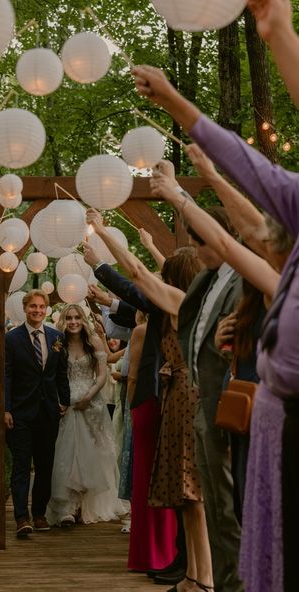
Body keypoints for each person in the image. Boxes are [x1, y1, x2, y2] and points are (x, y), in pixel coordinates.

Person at [133, 59, 299, 592]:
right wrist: (198, 178)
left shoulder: (276, 276)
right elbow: (238, 235)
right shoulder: (284, 272)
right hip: (267, 424)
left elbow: (236, 237)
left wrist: (187, 184)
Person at [87, 210, 213, 592]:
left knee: (193, 494)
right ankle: (193, 574)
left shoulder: (181, 303)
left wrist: (105, 235)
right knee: (187, 496)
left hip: (186, 400)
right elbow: (160, 270)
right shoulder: (192, 297)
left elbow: (137, 274)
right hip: (177, 398)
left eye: (167, 275)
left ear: (174, 281)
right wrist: (152, 247)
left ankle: (203, 578)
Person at [46, 304, 125, 526]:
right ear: (64, 320)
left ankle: (87, 504)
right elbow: (51, 374)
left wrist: (88, 396)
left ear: (83, 320)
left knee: (96, 454)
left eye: (77, 318)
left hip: (91, 404)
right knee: (68, 455)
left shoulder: (94, 342)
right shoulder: (58, 343)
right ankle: (69, 506)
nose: (73, 322)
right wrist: (61, 400)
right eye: (69, 318)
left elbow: (101, 375)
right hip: (67, 406)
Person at [5, 289, 70, 537]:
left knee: (45, 466)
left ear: (46, 310)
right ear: (25, 308)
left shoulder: (56, 337)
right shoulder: (12, 339)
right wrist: (5, 408)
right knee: (21, 465)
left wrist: (64, 401)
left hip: (48, 413)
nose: (37, 310)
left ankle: (40, 513)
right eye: (33, 306)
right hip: (20, 413)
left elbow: (60, 373)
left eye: (41, 307)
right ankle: (22, 517)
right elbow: (7, 376)